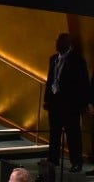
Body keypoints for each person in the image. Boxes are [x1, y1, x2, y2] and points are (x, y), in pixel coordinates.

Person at [43, 33, 87, 172]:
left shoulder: (77, 60)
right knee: (54, 134)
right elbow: (50, 80)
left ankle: (76, 162)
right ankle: (53, 160)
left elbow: (83, 83)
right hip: (54, 104)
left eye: (58, 41)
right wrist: (46, 99)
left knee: (73, 135)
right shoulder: (53, 58)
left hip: (70, 106)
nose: (55, 44)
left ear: (66, 43)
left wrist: (83, 104)